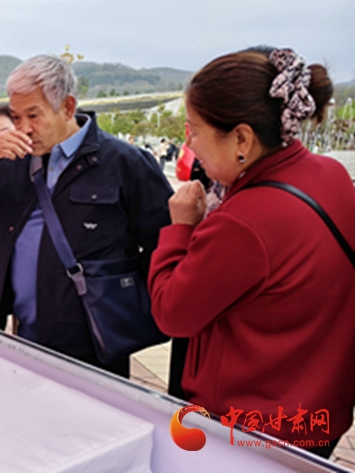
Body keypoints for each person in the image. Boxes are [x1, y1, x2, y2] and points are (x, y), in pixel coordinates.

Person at [148, 47, 352, 458]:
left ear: (242, 138)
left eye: (195, 130)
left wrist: (181, 227)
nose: (189, 143)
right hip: (319, 415)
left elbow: (172, 312)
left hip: (250, 427)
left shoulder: (243, 222)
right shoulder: (331, 174)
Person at [0, 55, 172, 377]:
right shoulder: (13, 159)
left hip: (94, 343)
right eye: (16, 117)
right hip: (24, 332)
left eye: (34, 115)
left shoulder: (125, 163)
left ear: (68, 107)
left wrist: (126, 296)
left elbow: (163, 242)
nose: (24, 128)